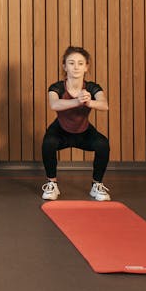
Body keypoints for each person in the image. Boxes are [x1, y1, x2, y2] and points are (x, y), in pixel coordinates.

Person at [41, 45, 111, 201]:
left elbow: (104, 105)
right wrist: (77, 101)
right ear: (64, 66)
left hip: (83, 131)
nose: (76, 67)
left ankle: (96, 185)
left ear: (86, 67)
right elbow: (54, 104)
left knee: (102, 144)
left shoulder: (93, 87)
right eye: (71, 63)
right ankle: (52, 184)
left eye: (80, 63)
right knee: (48, 142)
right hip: (60, 131)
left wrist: (88, 102)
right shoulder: (57, 87)